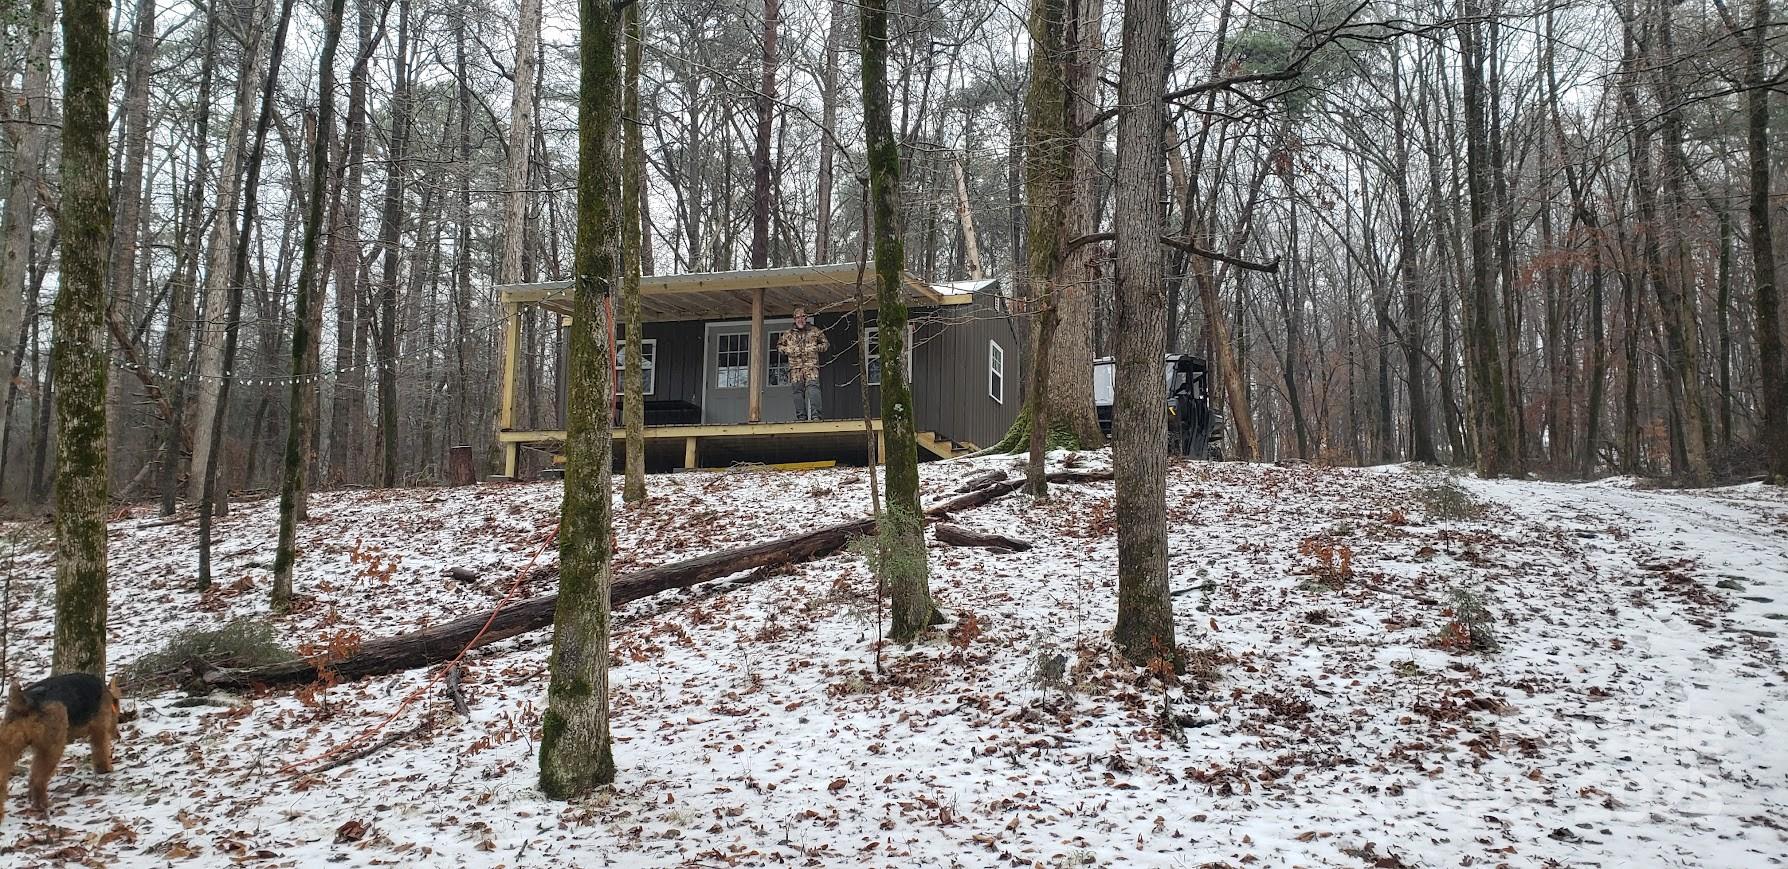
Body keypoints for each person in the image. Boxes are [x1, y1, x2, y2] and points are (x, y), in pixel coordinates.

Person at [778, 307, 829, 421]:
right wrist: (789, 350)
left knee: (813, 389)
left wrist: (815, 348)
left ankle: (816, 416)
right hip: (795, 367)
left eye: (802, 317)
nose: (800, 319)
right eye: (797, 317)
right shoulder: (788, 334)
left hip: (811, 366)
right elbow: (780, 347)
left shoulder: (815, 331)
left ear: (806, 318)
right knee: (797, 392)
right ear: (794, 319)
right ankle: (801, 417)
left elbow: (826, 344)